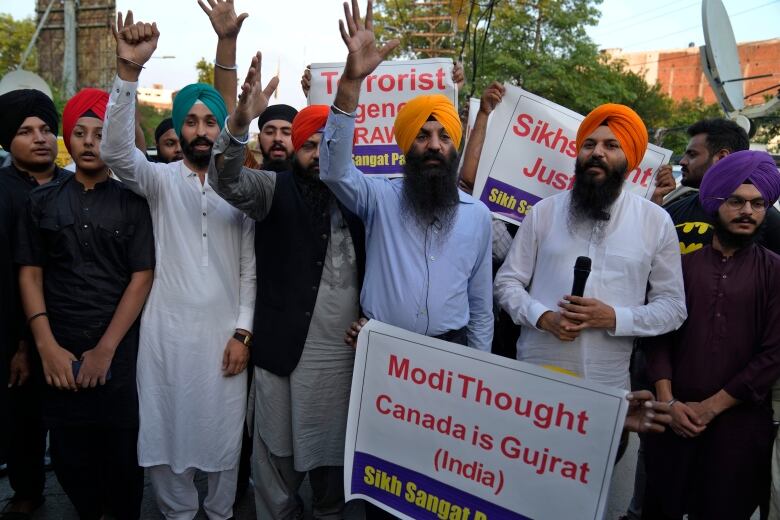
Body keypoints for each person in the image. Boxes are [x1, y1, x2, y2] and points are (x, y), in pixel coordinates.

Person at [101, 12, 256, 520]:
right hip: (166, 339)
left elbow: (249, 269)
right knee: (167, 440)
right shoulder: (160, 181)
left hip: (225, 340)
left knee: (224, 444)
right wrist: (128, 72)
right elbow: (117, 152)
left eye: (211, 121)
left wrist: (243, 333)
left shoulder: (240, 189)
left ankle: (218, 513)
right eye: (191, 120)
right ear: (179, 126)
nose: (201, 130)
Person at [208, 52, 365, 520]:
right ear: (294, 151)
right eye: (309, 146)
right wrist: (238, 122)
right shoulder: (273, 189)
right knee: (274, 467)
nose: (318, 155)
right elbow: (225, 179)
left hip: (341, 359)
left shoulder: (362, 197)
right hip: (280, 356)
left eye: (327, 146)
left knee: (331, 470)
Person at [322, 0, 494, 352]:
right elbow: (335, 170)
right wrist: (351, 82)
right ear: (405, 145)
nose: (434, 145)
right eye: (422, 135)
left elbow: (480, 305)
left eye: (444, 136)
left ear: (454, 147)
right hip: (383, 348)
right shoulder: (380, 199)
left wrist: (480, 369)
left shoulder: (477, 215)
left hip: (452, 352)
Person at [16, 87, 155, 520]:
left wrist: (106, 350)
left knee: (122, 458)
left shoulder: (134, 201)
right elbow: (30, 272)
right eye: (81, 132)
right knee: (70, 458)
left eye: (101, 132)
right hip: (58, 349)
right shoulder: (40, 201)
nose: (90, 141)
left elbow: (141, 275)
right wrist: (46, 347)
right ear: (68, 139)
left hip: (118, 352)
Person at [493, 102, 687, 390]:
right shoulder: (544, 212)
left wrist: (614, 317)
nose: (597, 152)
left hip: (607, 380)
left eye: (611, 145)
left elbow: (673, 308)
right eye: (589, 145)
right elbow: (507, 283)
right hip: (535, 370)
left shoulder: (655, 222)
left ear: (628, 159)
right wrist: (543, 317)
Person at [643, 150, 780, 520]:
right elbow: (658, 336)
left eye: (757, 203)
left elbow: (773, 354)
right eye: (736, 201)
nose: (747, 212)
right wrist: (669, 403)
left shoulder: (774, 271)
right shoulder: (681, 266)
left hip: (738, 428)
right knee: (661, 507)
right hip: (672, 419)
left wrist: (710, 408)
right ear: (716, 203)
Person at [0, 88, 63, 519]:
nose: (39, 138)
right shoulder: (2, 192)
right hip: (11, 327)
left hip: (75, 322)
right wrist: (20, 343)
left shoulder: (74, 183)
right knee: (21, 418)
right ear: (7, 140)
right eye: (25, 131)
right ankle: (27, 490)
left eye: (45, 129)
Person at [665, 118, 780, 254]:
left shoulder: (767, 220)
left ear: (722, 157)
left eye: (692, 154)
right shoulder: (673, 210)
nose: (683, 161)